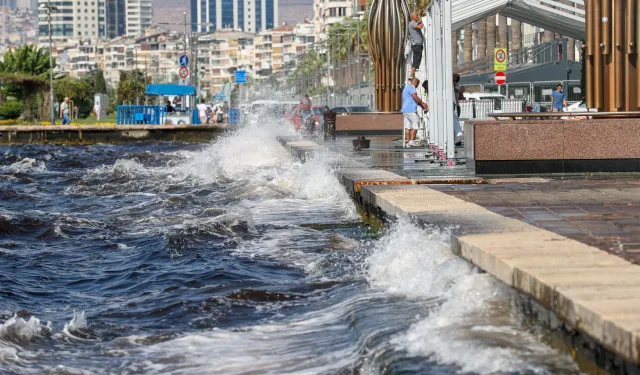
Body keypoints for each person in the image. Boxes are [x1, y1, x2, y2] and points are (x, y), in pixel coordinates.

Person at [402, 77, 428, 147]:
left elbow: (414, 99)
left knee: (408, 126)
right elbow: (415, 97)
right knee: (416, 122)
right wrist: (423, 103)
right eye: (418, 84)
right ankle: (411, 141)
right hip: (410, 108)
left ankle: (408, 143)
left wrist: (422, 106)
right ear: (415, 82)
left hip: (405, 109)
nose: (417, 86)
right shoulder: (412, 87)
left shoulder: (407, 87)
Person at [408, 12, 424, 79]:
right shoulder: (412, 23)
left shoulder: (412, 23)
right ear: (413, 17)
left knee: (416, 60)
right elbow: (420, 26)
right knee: (416, 60)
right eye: (416, 15)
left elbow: (418, 24)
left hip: (416, 44)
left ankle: (412, 75)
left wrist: (420, 21)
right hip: (417, 44)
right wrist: (424, 21)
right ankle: (411, 75)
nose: (417, 16)